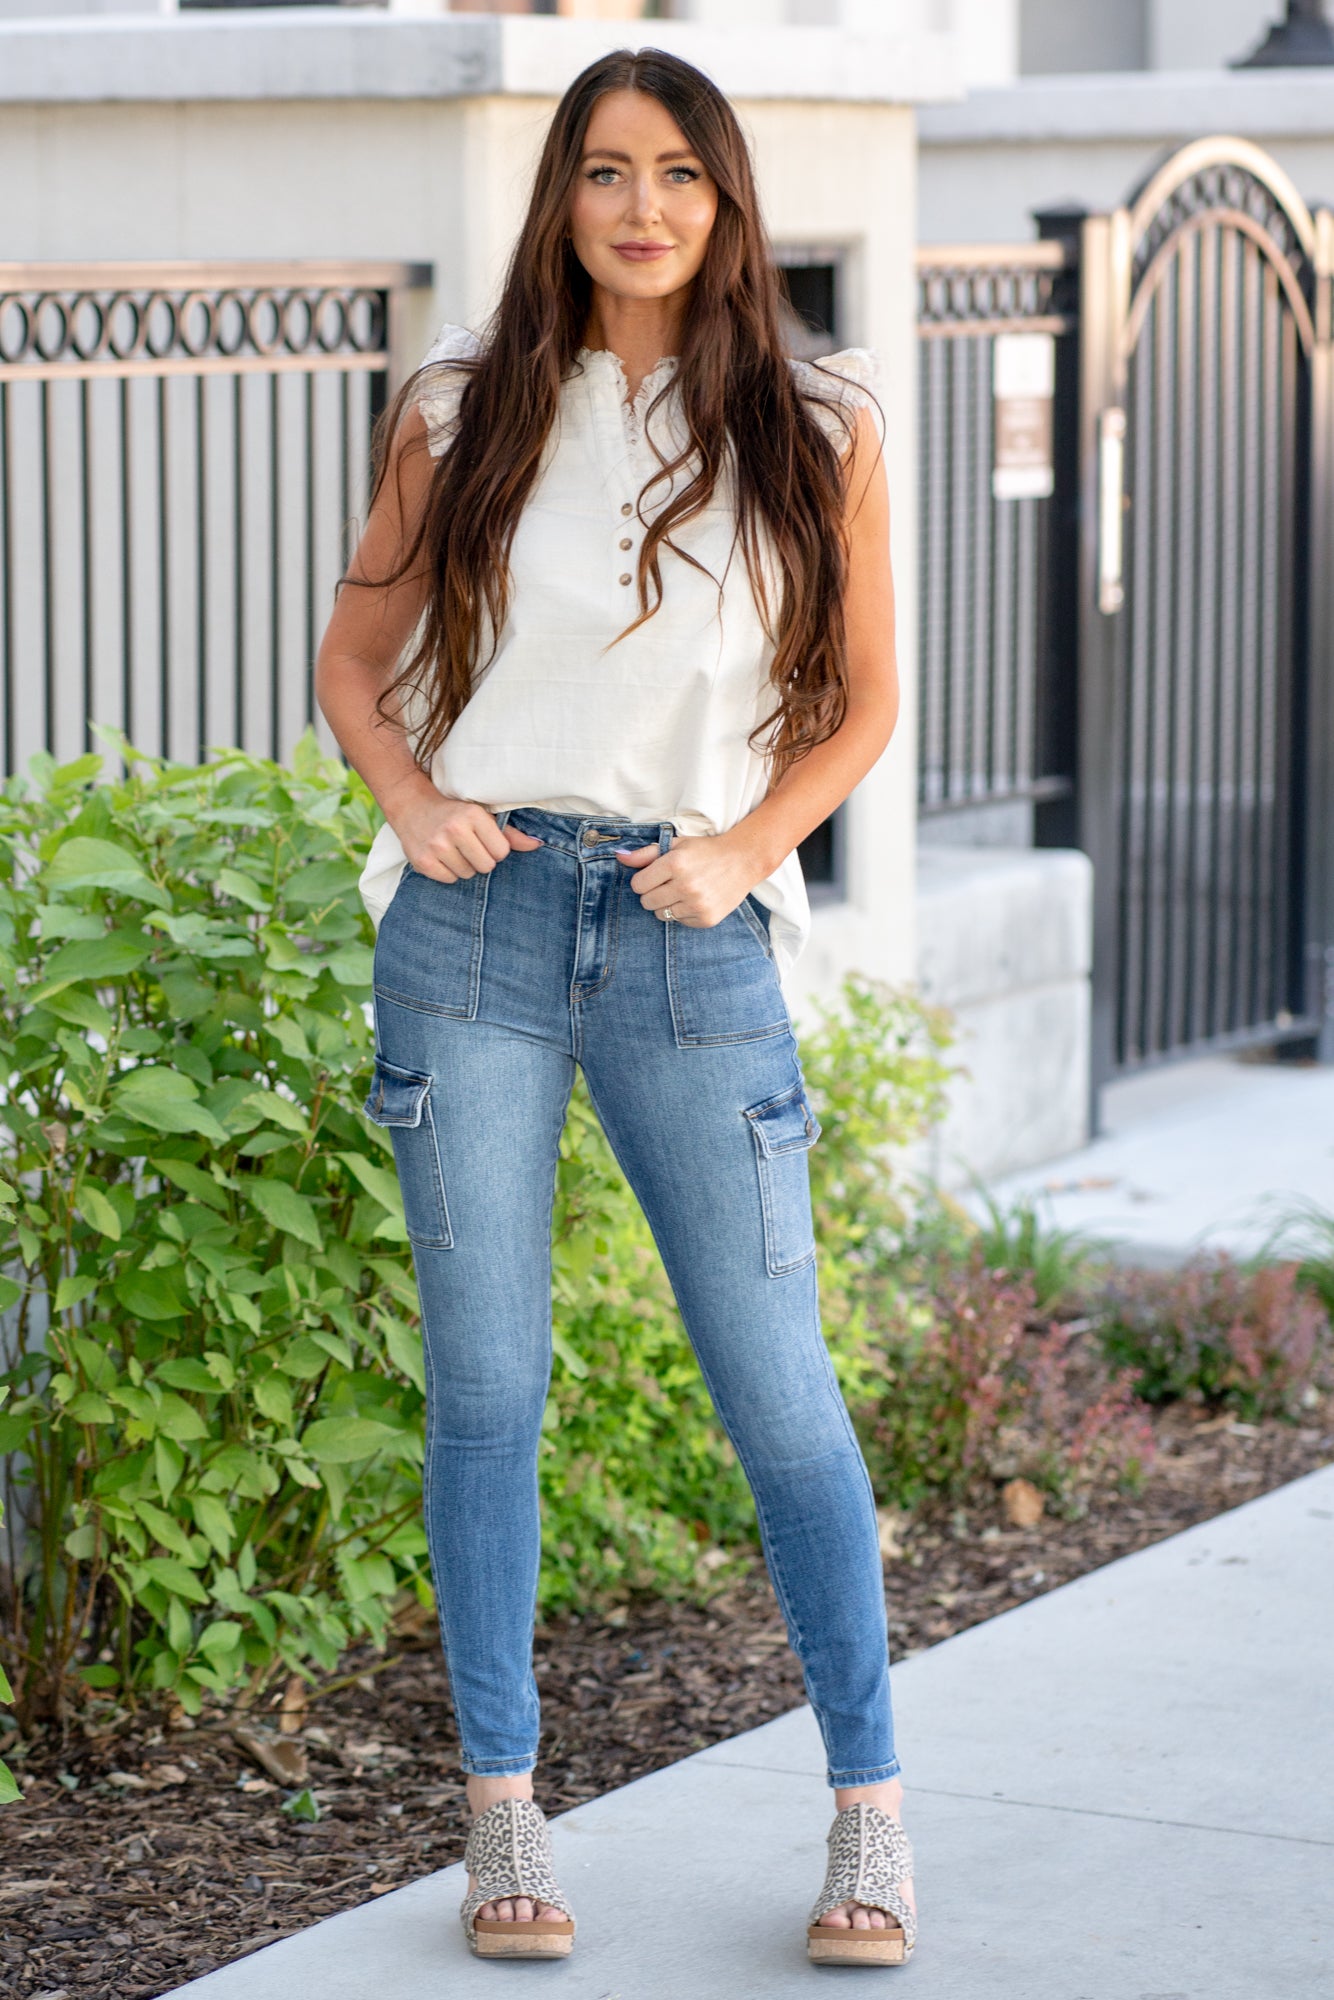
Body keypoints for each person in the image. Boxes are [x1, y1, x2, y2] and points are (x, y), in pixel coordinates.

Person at [314, 44, 915, 1970]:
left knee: (779, 1392)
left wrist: (744, 849)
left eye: (675, 173)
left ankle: (869, 1816)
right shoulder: (461, 402)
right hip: (473, 932)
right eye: (602, 171)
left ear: (724, 200)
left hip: (688, 930)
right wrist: (413, 803)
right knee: (489, 1390)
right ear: (558, 195)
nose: (638, 207)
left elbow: (862, 706)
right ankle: (502, 1814)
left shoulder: (819, 418)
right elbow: (356, 658)